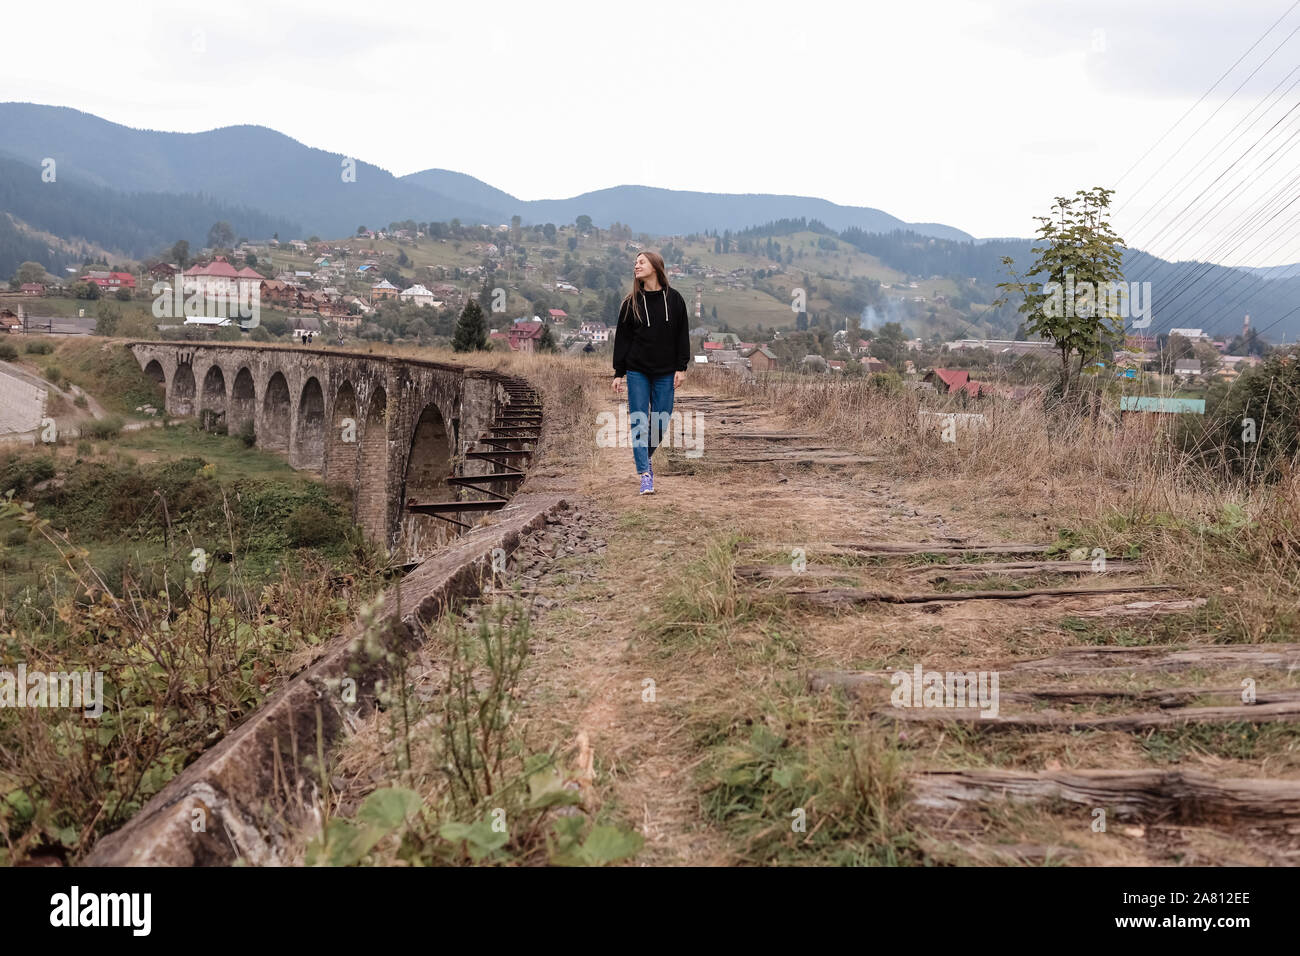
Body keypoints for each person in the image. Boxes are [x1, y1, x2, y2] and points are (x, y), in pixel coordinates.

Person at [612, 250, 689, 495]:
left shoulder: (675, 300)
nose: (636, 266)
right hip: (637, 371)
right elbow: (622, 340)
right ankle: (645, 474)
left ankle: (644, 457)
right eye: (635, 263)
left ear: (655, 266)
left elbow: (682, 335)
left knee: (661, 420)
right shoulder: (630, 302)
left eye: (641, 262)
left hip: (666, 371)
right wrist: (618, 372)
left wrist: (682, 366)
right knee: (639, 421)